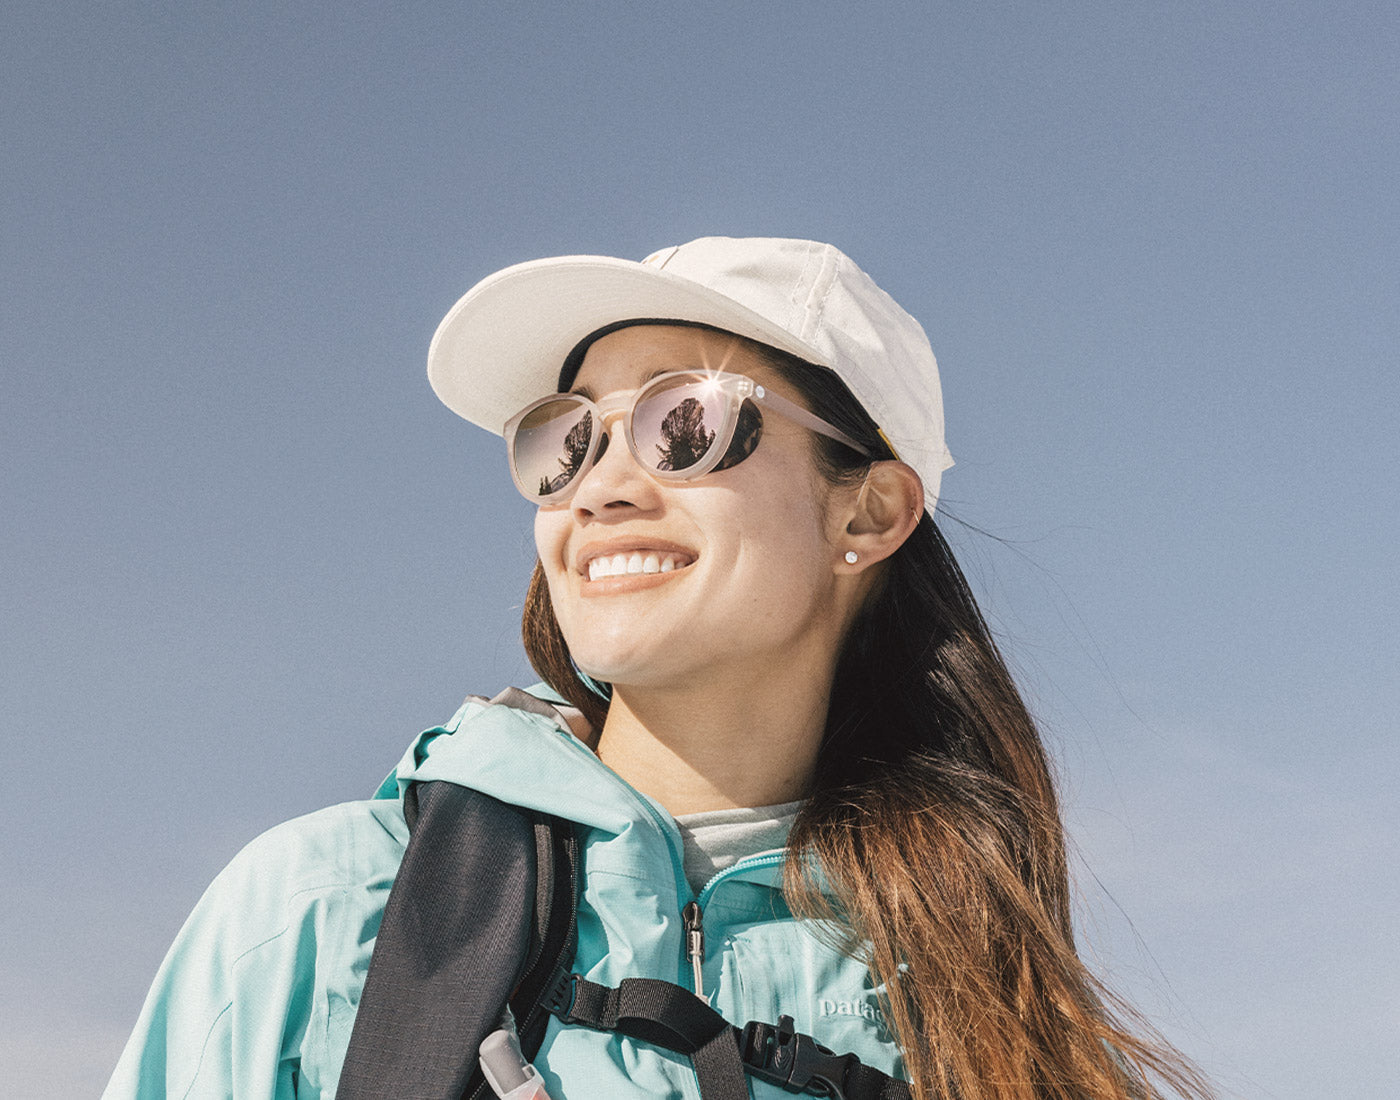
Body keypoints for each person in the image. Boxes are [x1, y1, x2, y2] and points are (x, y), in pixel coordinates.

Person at [105, 237, 1212, 1100]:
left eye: (685, 423)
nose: (596, 486)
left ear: (868, 509)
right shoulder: (329, 910)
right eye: (566, 439)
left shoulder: (988, 1007)